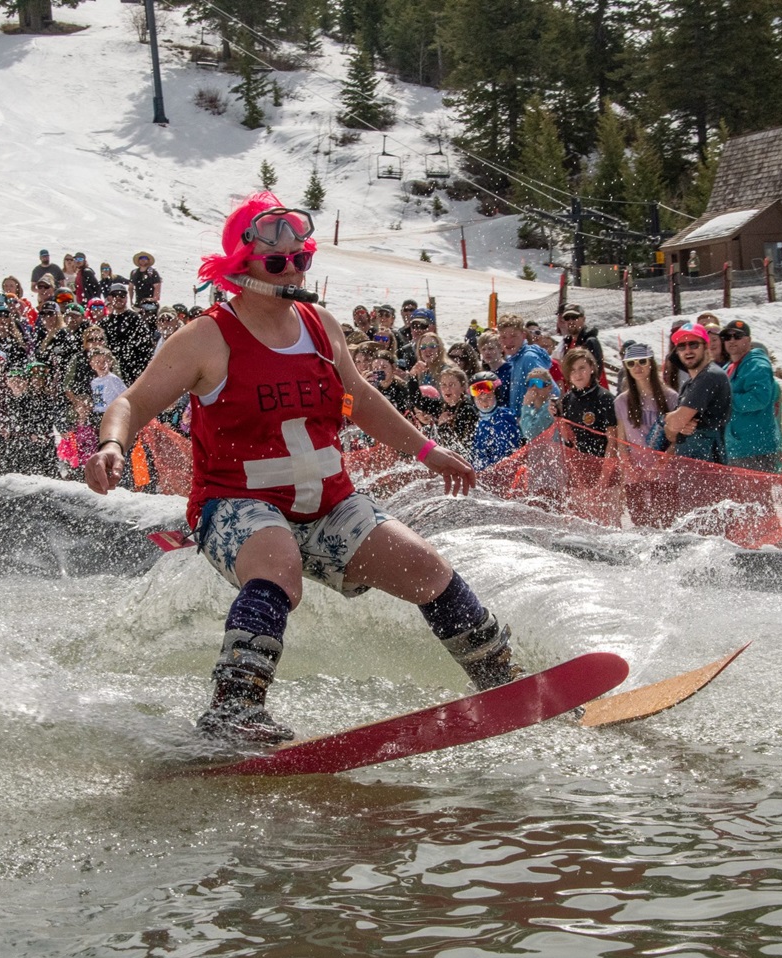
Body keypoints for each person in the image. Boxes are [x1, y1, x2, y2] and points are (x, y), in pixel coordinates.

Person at [84, 193, 516, 746]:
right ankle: (234, 710)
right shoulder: (205, 337)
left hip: (328, 502)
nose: (293, 270)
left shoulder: (321, 325)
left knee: (427, 568)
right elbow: (132, 403)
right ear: (242, 267)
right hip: (236, 504)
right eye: (278, 261)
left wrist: (428, 453)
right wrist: (111, 444)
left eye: (301, 259)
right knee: (278, 564)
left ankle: (504, 680)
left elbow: (359, 398)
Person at [719, 319, 782, 472]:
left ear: (748, 340)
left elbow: (759, 398)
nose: (732, 340)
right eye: (727, 337)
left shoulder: (757, 364)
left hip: (756, 450)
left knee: (758, 495)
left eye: (737, 336)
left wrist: (726, 400)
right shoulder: (728, 367)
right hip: (734, 448)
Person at [663, 324, 731, 463]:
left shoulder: (710, 376)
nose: (687, 350)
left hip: (711, 467)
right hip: (690, 466)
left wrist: (670, 420)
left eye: (693, 344)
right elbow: (671, 435)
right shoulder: (689, 383)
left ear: (705, 347)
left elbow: (676, 423)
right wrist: (674, 423)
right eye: (682, 346)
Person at [614, 343, 677, 450]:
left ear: (651, 363)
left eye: (642, 361)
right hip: (634, 465)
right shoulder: (621, 401)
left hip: (666, 465)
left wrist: (663, 462)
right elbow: (621, 441)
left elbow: (678, 438)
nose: (637, 367)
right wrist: (626, 464)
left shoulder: (671, 397)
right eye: (630, 363)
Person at [558, 349, 618, 458]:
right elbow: (568, 438)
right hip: (579, 462)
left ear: (591, 368)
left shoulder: (604, 398)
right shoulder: (567, 399)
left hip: (603, 462)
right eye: (572, 370)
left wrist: (605, 473)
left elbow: (613, 441)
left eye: (582, 368)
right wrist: (556, 416)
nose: (578, 374)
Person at [495, 314, 552, 413]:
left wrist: (531, 418)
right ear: (499, 339)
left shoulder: (528, 358)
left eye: (513, 336)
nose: (508, 341)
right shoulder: (515, 359)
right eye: (504, 337)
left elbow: (552, 391)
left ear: (523, 335)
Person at [469, 369, 524, 469]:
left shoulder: (504, 418)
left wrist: (486, 467)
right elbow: (477, 453)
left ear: (497, 396)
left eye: (488, 397)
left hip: (505, 470)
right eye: (479, 399)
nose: (484, 402)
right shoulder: (481, 422)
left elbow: (506, 453)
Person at [518, 368, 557, 442]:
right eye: (530, 383)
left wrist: (526, 405)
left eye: (538, 383)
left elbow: (529, 434)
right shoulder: (532, 411)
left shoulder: (550, 409)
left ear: (549, 388)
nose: (534, 388)